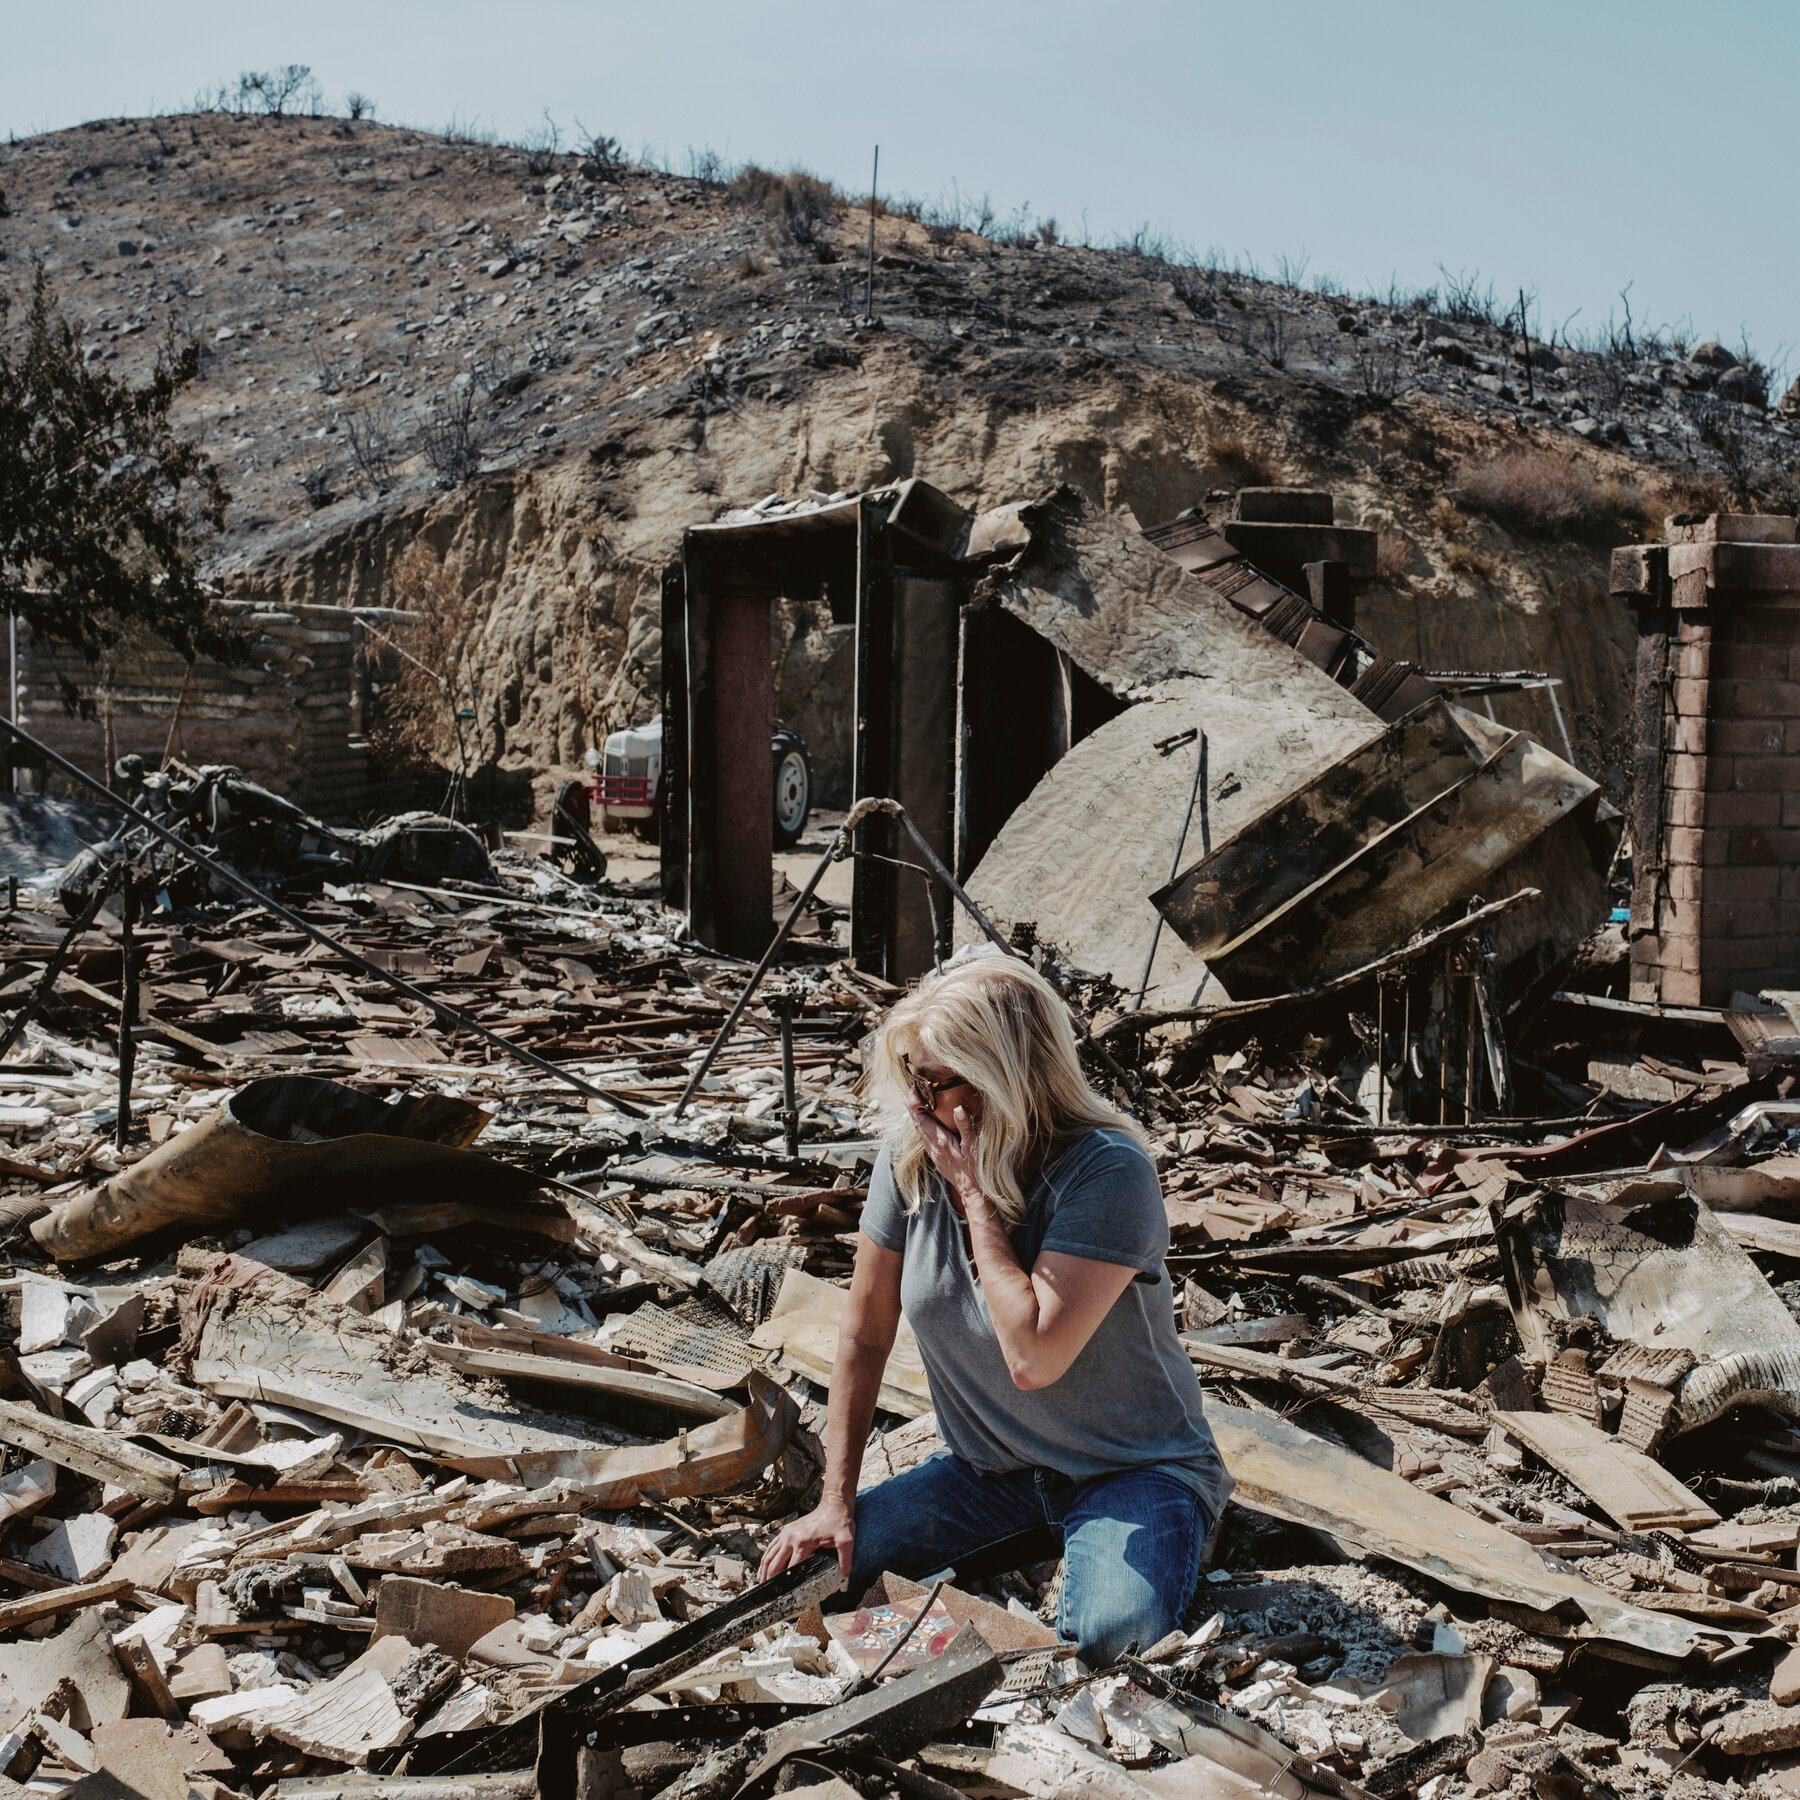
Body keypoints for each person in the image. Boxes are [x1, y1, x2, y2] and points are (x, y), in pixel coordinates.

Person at [759, 953, 1232, 1666]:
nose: (917, 1103)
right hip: (992, 1472)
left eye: (936, 1081)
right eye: (911, 1078)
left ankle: (1144, 1555)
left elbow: (1033, 1355)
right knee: (810, 1586)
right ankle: (993, 1645)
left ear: (1002, 1075)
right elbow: (863, 1332)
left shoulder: (1107, 1172)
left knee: (1116, 1640)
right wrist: (835, 1501)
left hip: (1131, 1470)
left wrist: (976, 1200)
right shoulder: (907, 1160)